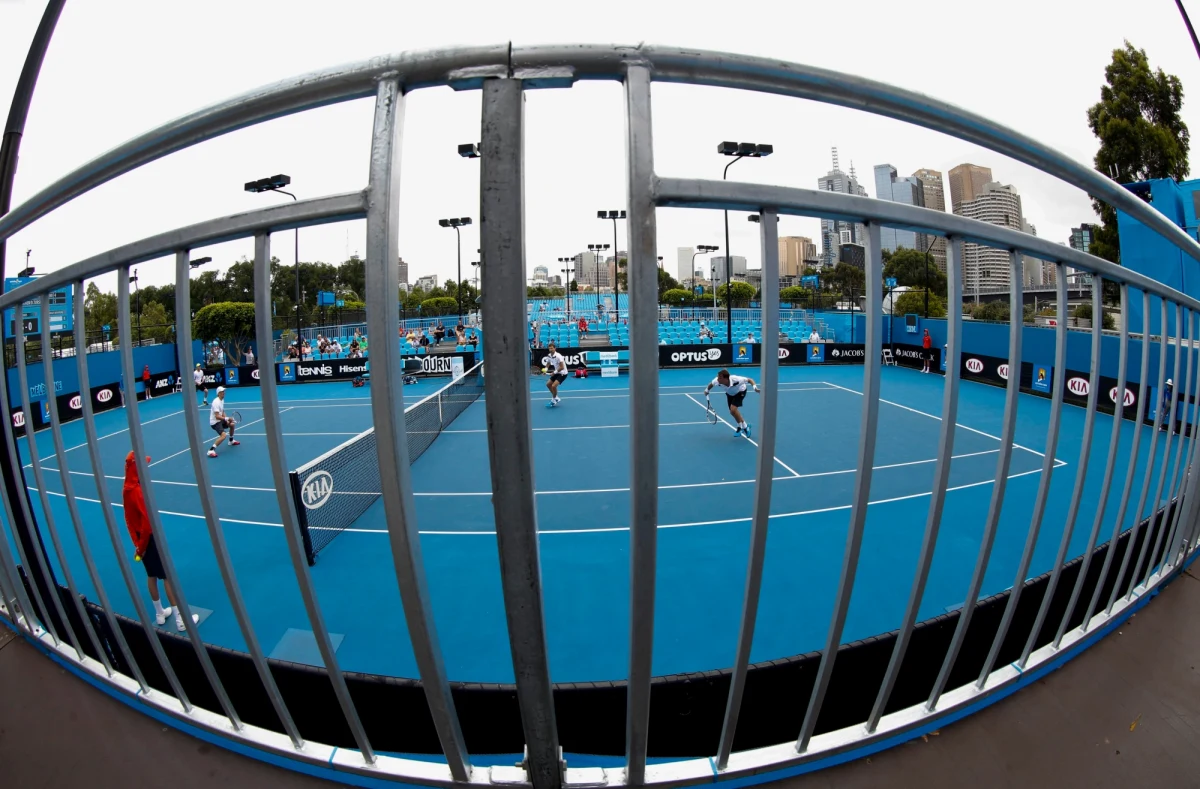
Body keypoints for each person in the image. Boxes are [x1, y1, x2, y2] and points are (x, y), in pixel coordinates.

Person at [123, 451, 198, 632]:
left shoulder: (127, 489)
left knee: (152, 575)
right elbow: (147, 524)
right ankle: (181, 620)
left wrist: (137, 544)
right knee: (167, 576)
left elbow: (129, 520)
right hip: (149, 539)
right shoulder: (138, 492)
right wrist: (141, 548)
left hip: (141, 539)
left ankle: (159, 614)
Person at [704, 368, 760, 437]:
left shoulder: (736, 379)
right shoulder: (717, 381)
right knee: (733, 412)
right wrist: (707, 390)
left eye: (720, 378)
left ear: (726, 379)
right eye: (718, 377)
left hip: (740, 392)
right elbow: (711, 384)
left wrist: (755, 388)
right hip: (730, 394)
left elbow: (750, 380)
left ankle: (739, 427)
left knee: (733, 410)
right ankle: (746, 426)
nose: (718, 379)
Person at [207, 387, 240, 458]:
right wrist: (226, 418)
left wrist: (227, 419)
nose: (224, 392)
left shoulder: (222, 400)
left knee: (232, 424)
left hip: (220, 420)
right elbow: (217, 416)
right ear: (218, 393)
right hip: (215, 423)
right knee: (223, 435)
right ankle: (211, 450)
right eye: (222, 391)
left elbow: (222, 411)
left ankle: (231, 441)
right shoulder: (216, 402)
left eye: (224, 391)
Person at [543, 342, 569, 407]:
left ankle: (554, 400)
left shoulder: (558, 356)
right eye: (549, 348)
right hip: (557, 372)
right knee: (548, 384)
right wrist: (545, 370)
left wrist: (553, 372)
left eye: (552, 348)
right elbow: (548, 363)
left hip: (563, 373)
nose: (550, 349)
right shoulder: (549, 355)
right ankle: (556, 397)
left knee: (554, 386)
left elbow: (562, 367)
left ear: (555, 348)